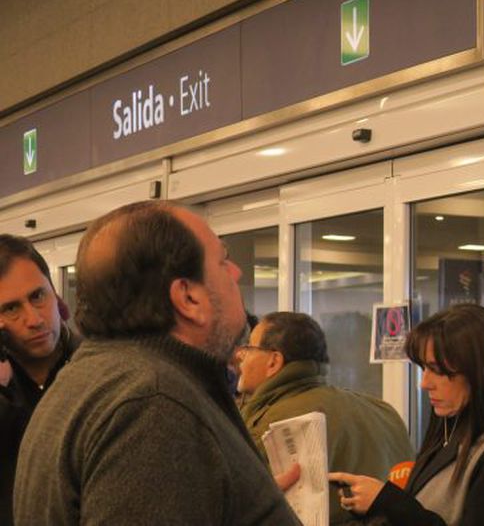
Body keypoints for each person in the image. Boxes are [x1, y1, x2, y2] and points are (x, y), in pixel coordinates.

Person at [13, 201, 301, 525]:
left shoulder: (88, 378)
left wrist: (235, 499)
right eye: (222, 261)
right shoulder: (152, 405)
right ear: (188, 298)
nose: (237, 272)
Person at [237, 311, 415, 524]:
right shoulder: (383, 411)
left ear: (274, 361)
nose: (240, 355)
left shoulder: (268, 427)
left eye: (249, 348)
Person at [329, 303, 484, 525]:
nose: (425, 383)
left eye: (437, 370)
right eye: (423, 369)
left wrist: (387, 501)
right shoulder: (446, 435)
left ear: (477, 370)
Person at [0, 235, 78, 526]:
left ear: (55, 294)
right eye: (11, 308)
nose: (34, 319)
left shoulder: (94, 366)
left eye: (37, 296)